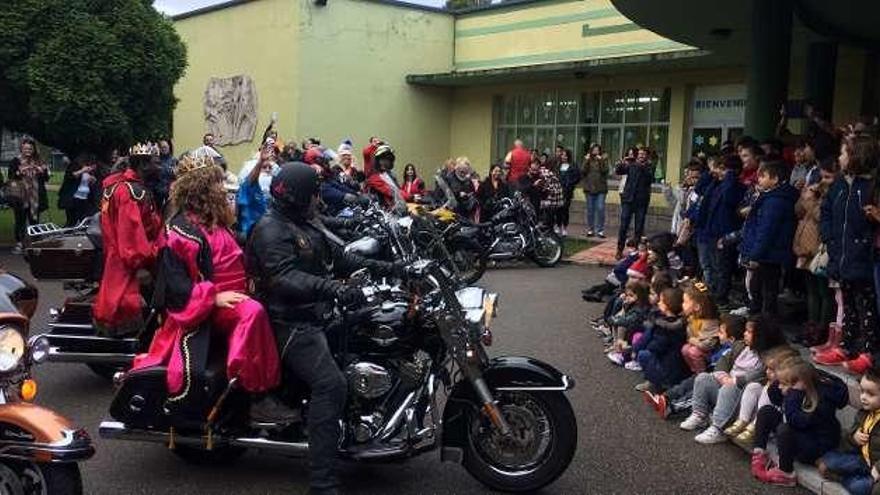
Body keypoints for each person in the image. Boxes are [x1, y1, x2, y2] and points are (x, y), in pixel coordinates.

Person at [246, 163, 402, 495]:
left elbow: (342, 258)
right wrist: (332, 288)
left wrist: (393, 269)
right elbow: (283, 277)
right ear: (298, 195)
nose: (319, 198)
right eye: (314, 193)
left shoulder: (302, 222)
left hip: (316, 314)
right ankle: (322, 483)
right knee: (331, 385)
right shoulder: (270, 229)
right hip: (287, 323)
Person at [132, 154, 280, 398]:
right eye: (217, 184)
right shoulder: (179, 232)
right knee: (252, 313)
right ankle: (250, 391)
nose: (223, 189)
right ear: (202, 190)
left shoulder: (214, 221)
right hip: (206, 307)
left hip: (236, 294)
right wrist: (213, 298)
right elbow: (175, 287)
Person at [815, 135, 879, 373]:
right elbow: (827, 210)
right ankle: (847, 346)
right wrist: (828, 237)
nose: (840, 158)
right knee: (848, 305)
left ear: (856, 156)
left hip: (863, 258)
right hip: (840, 256)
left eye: (843, 153)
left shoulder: (870, 186)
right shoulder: (840, 185)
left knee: (867, 307)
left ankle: (868, 351)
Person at [93, 142, 163, 335]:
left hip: (119, 258)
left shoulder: (119, 187)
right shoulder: (131, 193)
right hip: (131, 263)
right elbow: (130, 234)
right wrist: (140, 265)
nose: (160, 167)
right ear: (143, 165)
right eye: (156, 163)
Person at [682, 315, 784, 444]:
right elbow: (723, 361)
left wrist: (735, 381)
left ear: (761, 336)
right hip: (725, 388)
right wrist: (724, 376)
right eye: (745, 331)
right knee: (703, 378)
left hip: (742, 399)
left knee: (729, 388)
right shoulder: (741, 346)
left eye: (749, 332)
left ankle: (718, 428)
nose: (745, 334)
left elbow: (759, 375)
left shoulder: (767, 357)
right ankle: (699, 414)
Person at [751, 359, 849, 487]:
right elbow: (774, 397)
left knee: (784, 429)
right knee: (766, 412)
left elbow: (797, 421)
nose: (780, 386)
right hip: (802, 436)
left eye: (783, 384)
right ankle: (759, 453)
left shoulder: (822, 399)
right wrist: (780, 382)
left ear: (801, 384)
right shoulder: (798, 389)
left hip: (816, 447)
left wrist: (793, 395)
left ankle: (786, 473)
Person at [739, 160, 799, 317]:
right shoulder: (771, 198)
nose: (759, 179)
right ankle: (760, 318)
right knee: (761, 287)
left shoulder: (775, 202)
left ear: (775, 179)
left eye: (763, 176)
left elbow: (767, 230)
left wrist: (755, 254)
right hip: (768, 252)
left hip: (770, 253)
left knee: (765, 289)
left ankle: (765, 321)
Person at [817, 368, 880, 495]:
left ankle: (858, 482)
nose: (863, 397)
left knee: (865, 488)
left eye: (870, 394)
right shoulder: (863, 413)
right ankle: (854, 479)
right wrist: (854, 438)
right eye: (862, 391)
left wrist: (878, 468)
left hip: (876, 467)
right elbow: (846, 443)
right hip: (863, 461)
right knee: (825, 465)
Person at [792, 166, 835, 345]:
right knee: (811, 291)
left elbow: (821, 217)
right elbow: (798, 212)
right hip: (805, 248)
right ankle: (810, 326)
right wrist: (804, 195)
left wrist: (813, 202)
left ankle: (821, 328)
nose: (823, 181)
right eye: (821, 177)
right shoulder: (813, 194)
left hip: (821, 250)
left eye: (828, 177)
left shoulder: (832, 197)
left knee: (823, 292)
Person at [697, 155, 746, 307]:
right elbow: (700, 189)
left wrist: (729, 175)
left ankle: (721, 299)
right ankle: (712, 295)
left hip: (724, 233)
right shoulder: (716, 185)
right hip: (710, 231)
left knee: (722, 269)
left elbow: (729, 198)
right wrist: (711, 174)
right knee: (710, 266)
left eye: (723, 169)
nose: (718, 172)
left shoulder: (736, 186)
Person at [727, 346, 800, 446]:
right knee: (753, 387)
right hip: (760, 411)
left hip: (773, 421)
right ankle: (742, 420)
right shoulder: (769, 380)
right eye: (767, 368)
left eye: (772, 370)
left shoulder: (790, 389)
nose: (767, 372)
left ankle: (755, 427)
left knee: (766, 390)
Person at [632, 287, 688, 393]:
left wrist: (639, 348)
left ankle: (656, 382)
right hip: (677, 365)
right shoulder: (679, 322)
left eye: (662, 301)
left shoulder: (666, 327)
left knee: (643, 355)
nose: (658, 302)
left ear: (668, 306)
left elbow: (657, 347)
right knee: (644, 339)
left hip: (668, 365)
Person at [7, 137, 49, 254]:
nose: (28, 151)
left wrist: (41, 171)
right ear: (22, 149)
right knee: (20, 220)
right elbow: (11, 177)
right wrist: (19, 172)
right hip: (21, 196)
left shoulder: (39, 161)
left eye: (30, 149)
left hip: (35, 196)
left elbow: (46, 178)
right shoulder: (16, 161)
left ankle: (35, 244)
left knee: (34, 220)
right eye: (25, 149)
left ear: (33, 149)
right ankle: (20, 244)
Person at [615, 148, 654, 258]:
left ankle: (636, 250)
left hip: (641, 202)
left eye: (643, 154)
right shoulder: (631, 165)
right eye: (639, 154)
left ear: (647, 156)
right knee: (623, 225)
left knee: (639, 227)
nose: (641, 156)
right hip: (628, 200)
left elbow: (649, 178)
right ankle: (619, 249)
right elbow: (619, 171)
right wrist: (621, 163)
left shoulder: (649, 166)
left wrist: (638, 165)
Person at [605, 279, 651, 366]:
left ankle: (620, 350)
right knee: (617, 323)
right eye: (627, 295)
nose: (628, 297)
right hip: (632, 325)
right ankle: (616, 345)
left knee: (621, 325)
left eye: (631, 295)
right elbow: (623, 315)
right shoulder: (630, 304)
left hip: (636, 327)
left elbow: (629, 319)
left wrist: (615, 320)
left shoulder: (640, 307)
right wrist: (623, 307)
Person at [680, 282, 720, 373]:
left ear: (697, 307)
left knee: (693, 351)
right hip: (698, 346)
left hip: (710, 352)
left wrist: (694, 341)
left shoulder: (709, 323)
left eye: (685, 302)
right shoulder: (692, 317)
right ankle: (695, 371)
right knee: (685, 349)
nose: (682, 304)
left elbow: (709, 344)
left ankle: (702, 373)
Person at [236, 146, 276, 239]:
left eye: (269, 168)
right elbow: (250, 181)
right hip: (250, 234)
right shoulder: (248, 188)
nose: (267, 170)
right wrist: (260, 162)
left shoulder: (270, 192)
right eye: (264, 168)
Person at [57, 153, 99, 227]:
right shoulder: (75, 166)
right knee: (72, 220)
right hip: (74, 198)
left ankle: (80, 230)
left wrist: (93, 180)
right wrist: (82, 170)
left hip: (84, 198)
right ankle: (67, 232)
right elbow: (71, 176)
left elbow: (89, 184)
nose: (91, 167)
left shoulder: (90, 172)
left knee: (84, 218)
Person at [364, 144, 405, 211]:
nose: (385, 162)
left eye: (388, 159)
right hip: (383, 214)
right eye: (382, 159)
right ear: (377, 160)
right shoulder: (374, 177)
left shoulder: (391, 175)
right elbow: (393, 192)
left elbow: (398, 190)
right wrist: (411, 196)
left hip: (397, 209)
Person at [581, 144, 609, 238]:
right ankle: (590, 229)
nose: (596, 151)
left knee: (600, 208)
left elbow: (605, 171)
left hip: (601, 188)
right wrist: (586, 160)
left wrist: (601, 160)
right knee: (590, 210)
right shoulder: (588, 159)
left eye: (597, 150)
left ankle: (600, 230)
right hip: (589, 188)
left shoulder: (603, 159)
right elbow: (583, 171)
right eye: (594, 149)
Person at [555, 148, 580, 237]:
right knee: (558, 209)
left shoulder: (573, 166)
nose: (563, 157)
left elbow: (577, 177)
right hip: (558, 190)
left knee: (565, 209)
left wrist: (570, 184)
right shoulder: (558, 165)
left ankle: (565, 227)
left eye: (565, 155)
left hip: (567, 191)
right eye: (562, 155)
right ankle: (558, 226)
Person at [155, 139, 177, 208]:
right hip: (158, 192)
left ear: (169, 147)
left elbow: (178, 176)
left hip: (170, 192)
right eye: (162, 147)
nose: (164, 149)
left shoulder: (174, 160)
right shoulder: (155, 161)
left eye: (165, 147)